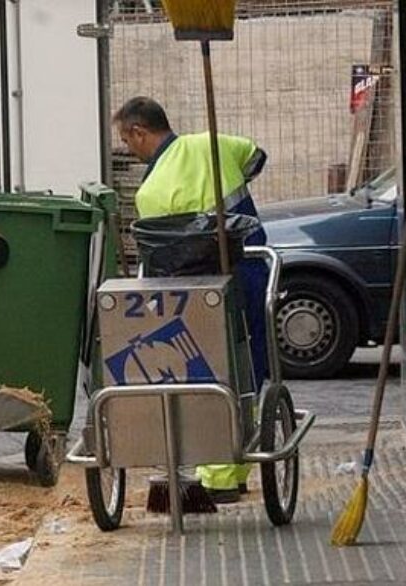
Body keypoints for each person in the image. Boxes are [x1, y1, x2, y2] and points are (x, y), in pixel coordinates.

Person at [114, 96, 268, 504]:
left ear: (139, 132)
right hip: (248, 272)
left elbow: (161, 259)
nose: (129, 149)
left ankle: (216, 473)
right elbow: (257, 158)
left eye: (127, 141)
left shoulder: (151, 192)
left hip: (195, 293)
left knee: (204, 370)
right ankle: (237, 468)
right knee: (248, 367)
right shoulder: (217, 144)